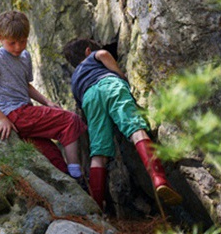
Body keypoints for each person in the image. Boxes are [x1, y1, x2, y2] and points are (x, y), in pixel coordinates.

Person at [62, 38, 182, 209]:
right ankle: (159, 178)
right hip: (109, 84)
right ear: (88, 51)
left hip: (89, 99)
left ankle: (96, 203)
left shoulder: (74, 80)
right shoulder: (94, 56)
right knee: (135, 128)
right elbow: (103, 54)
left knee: (98, 151)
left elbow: (81, 106)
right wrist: (121, 75)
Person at [0, 11, 87, 183]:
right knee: (70, 120)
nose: (18, 47)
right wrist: (2, 119)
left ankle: (69, 184)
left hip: (26, 113)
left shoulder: (25, 57)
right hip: (15, 114)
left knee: (54, 158)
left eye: (22, 41)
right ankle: (77, 175)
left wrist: (47, 102)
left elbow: (25, 86)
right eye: (12, 43)